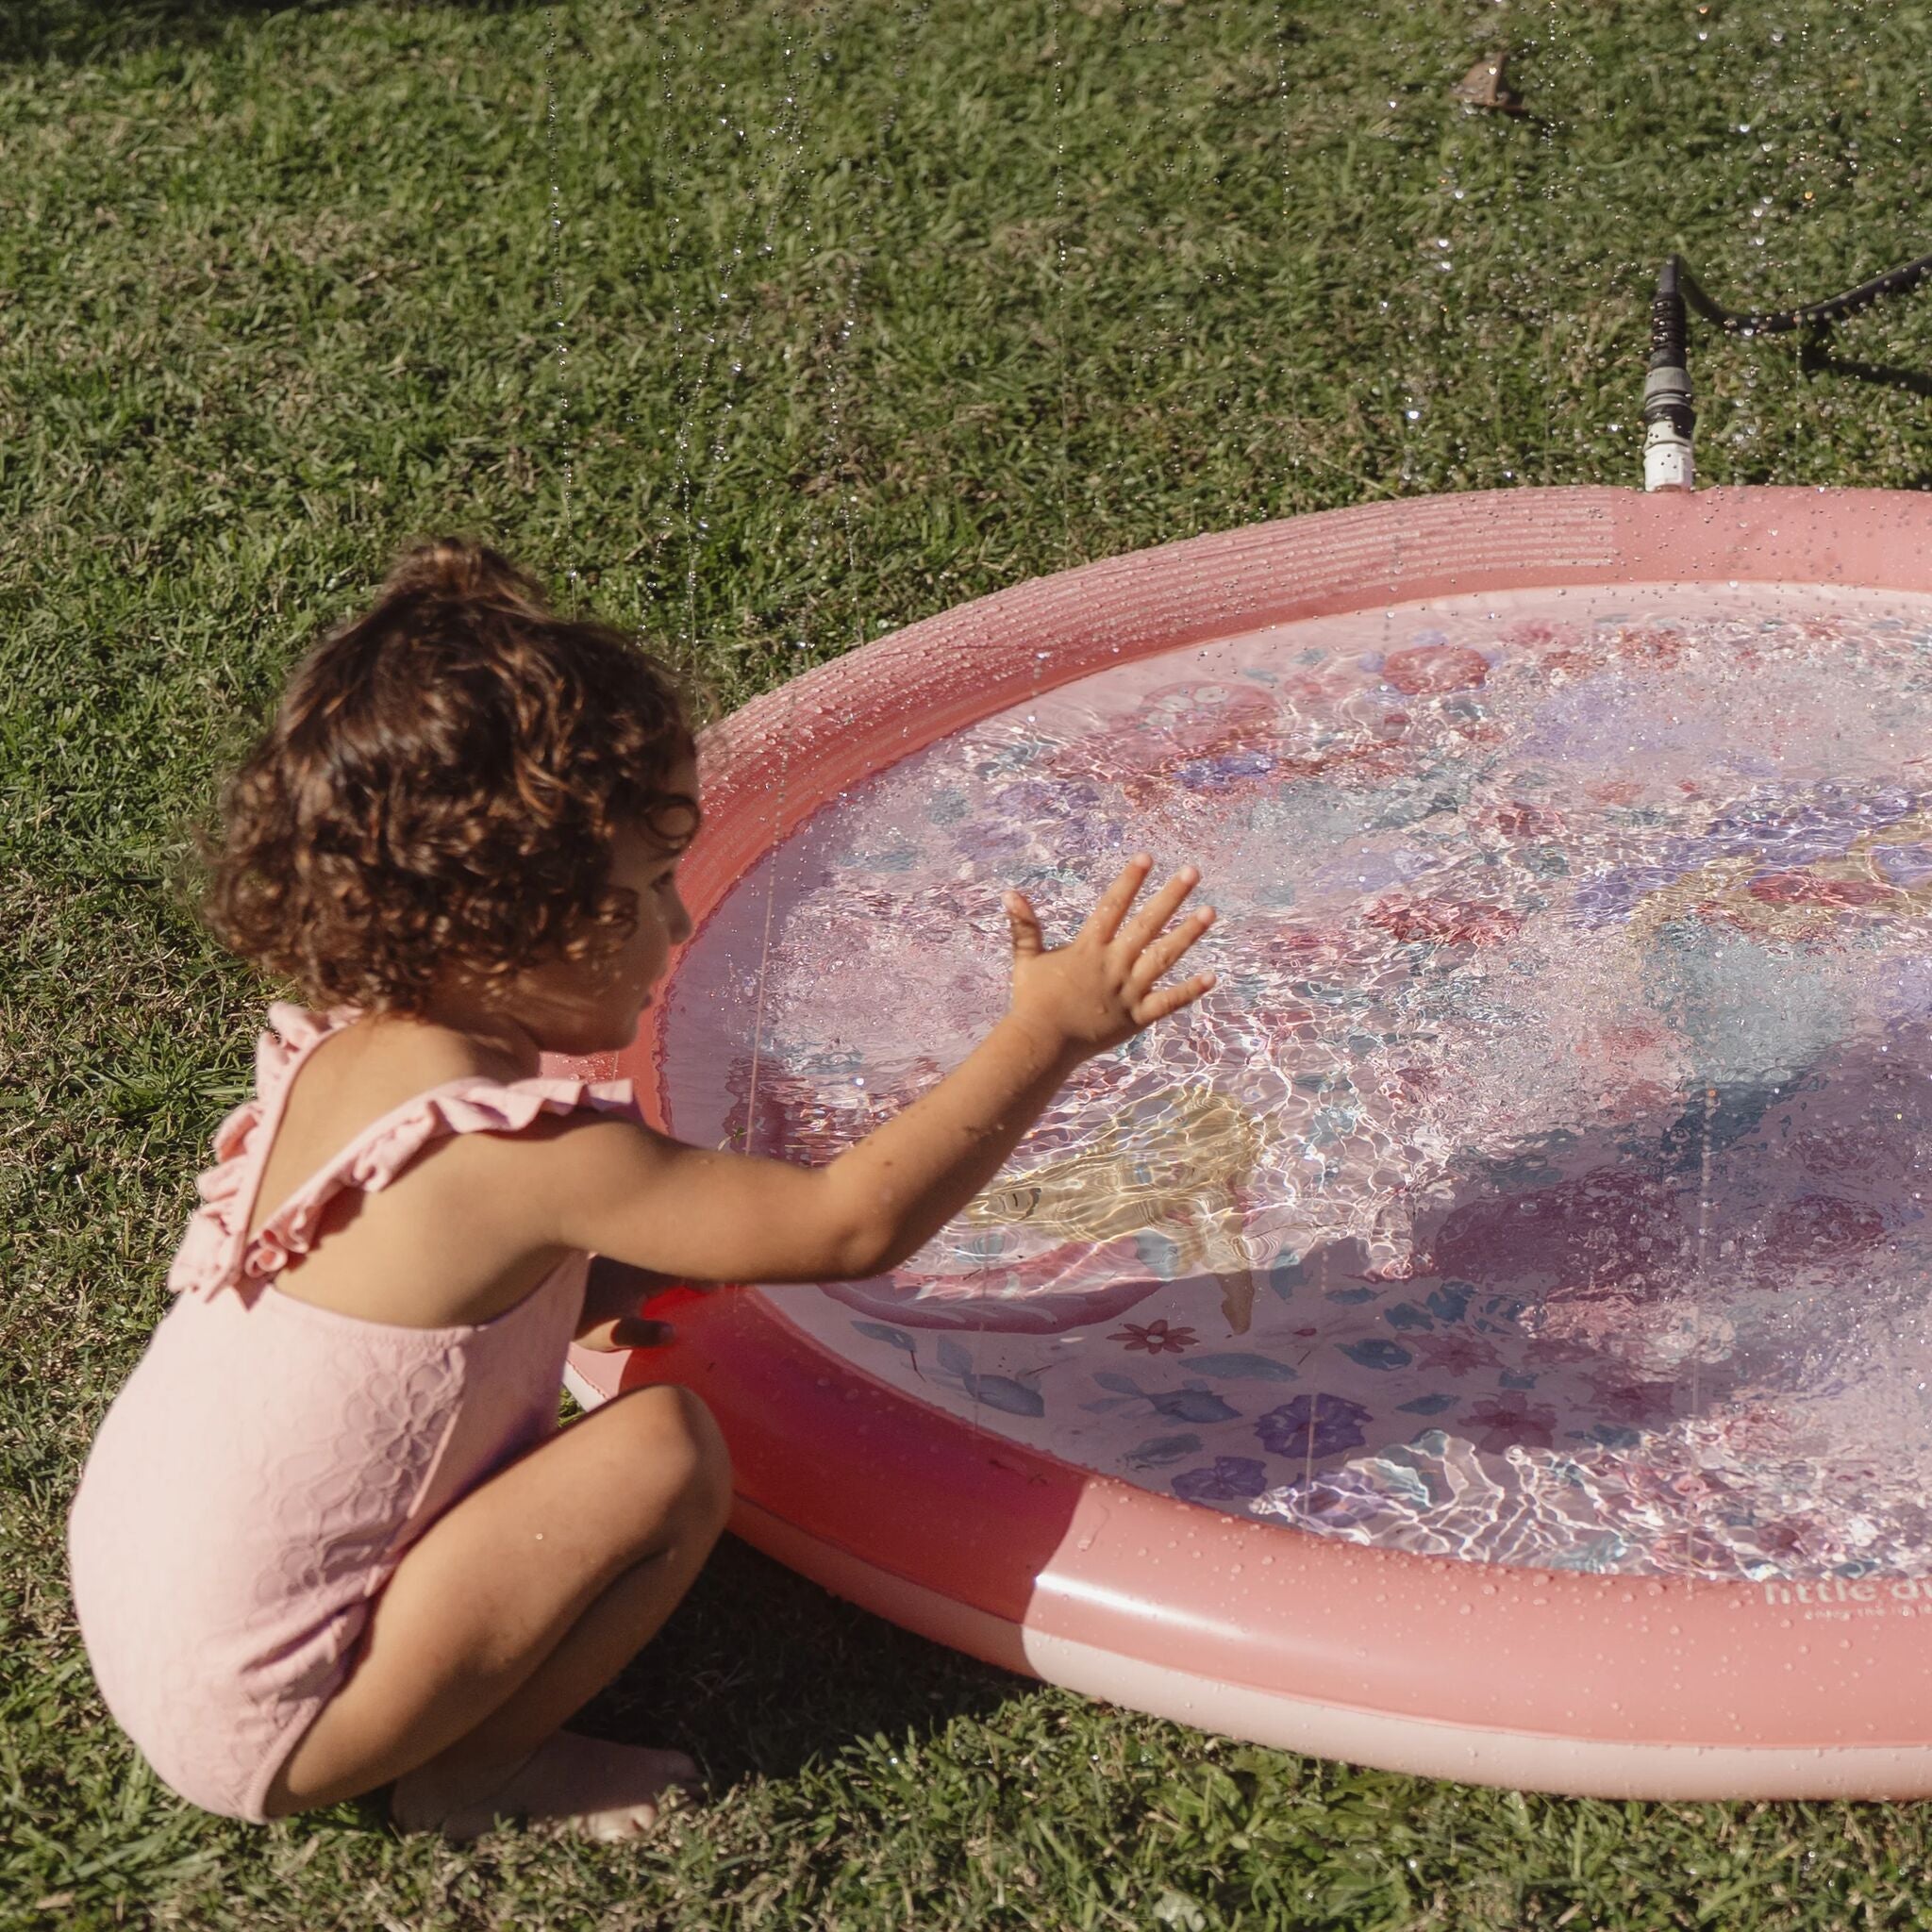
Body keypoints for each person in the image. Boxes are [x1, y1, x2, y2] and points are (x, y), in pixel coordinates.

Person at [65, 538, 1219, 1842]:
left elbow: (431, 1313)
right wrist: (1048, 1033)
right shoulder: (516, 1156)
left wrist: (603, 1285)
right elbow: (852, 1223)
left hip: (155, 1598)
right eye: (642, 891)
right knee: (661, 1457)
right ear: (499, 922)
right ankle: (474, 1777)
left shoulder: (353, 1050)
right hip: (278, 1706)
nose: (676, 927)